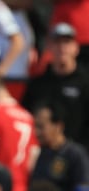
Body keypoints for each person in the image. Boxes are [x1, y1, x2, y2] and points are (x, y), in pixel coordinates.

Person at [21, 22, 89, 151]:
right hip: (43, 153)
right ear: (49, 47)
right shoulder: (37, 84)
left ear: (76, 48)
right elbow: (26, 119)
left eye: (67, 42)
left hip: (79, 153)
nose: (62, 48)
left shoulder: (85, 83)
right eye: (57, 43)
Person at [31, 101, 89, 191]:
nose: (36, 132)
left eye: (41, 127)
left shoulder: (75, 154)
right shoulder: (42, 153)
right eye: (35, 127)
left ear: (58, 126)